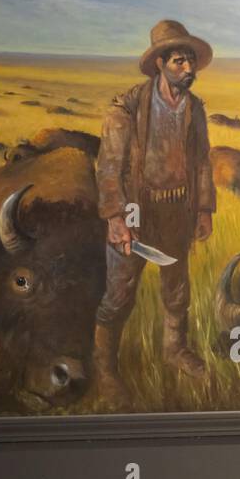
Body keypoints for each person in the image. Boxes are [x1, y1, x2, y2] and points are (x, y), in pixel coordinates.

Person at [94, 20, 216, 405]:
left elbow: (202, 163)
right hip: (134, 209)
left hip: (177, 210)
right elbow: (109, 165)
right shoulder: (127, 107)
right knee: (119, 292)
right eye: (179, 61)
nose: (188, 69)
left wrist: (204, 209)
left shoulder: (195, 109)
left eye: (191, 62)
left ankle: (174, 349)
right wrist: (115, 218)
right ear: (160, 62)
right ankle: (105, 369)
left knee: (177, 288)